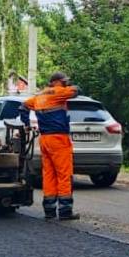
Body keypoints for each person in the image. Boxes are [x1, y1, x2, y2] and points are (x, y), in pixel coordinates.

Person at [20, 71, 80, 221]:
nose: (65, 83)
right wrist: (71, 86)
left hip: (45, 139)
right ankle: (65, 211)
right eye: (64, 81)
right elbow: (76, 91)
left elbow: (23, 106)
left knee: (49, 175)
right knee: (64, 174)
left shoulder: (39, 96)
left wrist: (27, 124)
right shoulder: (58, 92)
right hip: (59, 139)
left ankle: (49, 210)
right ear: (56, 82)